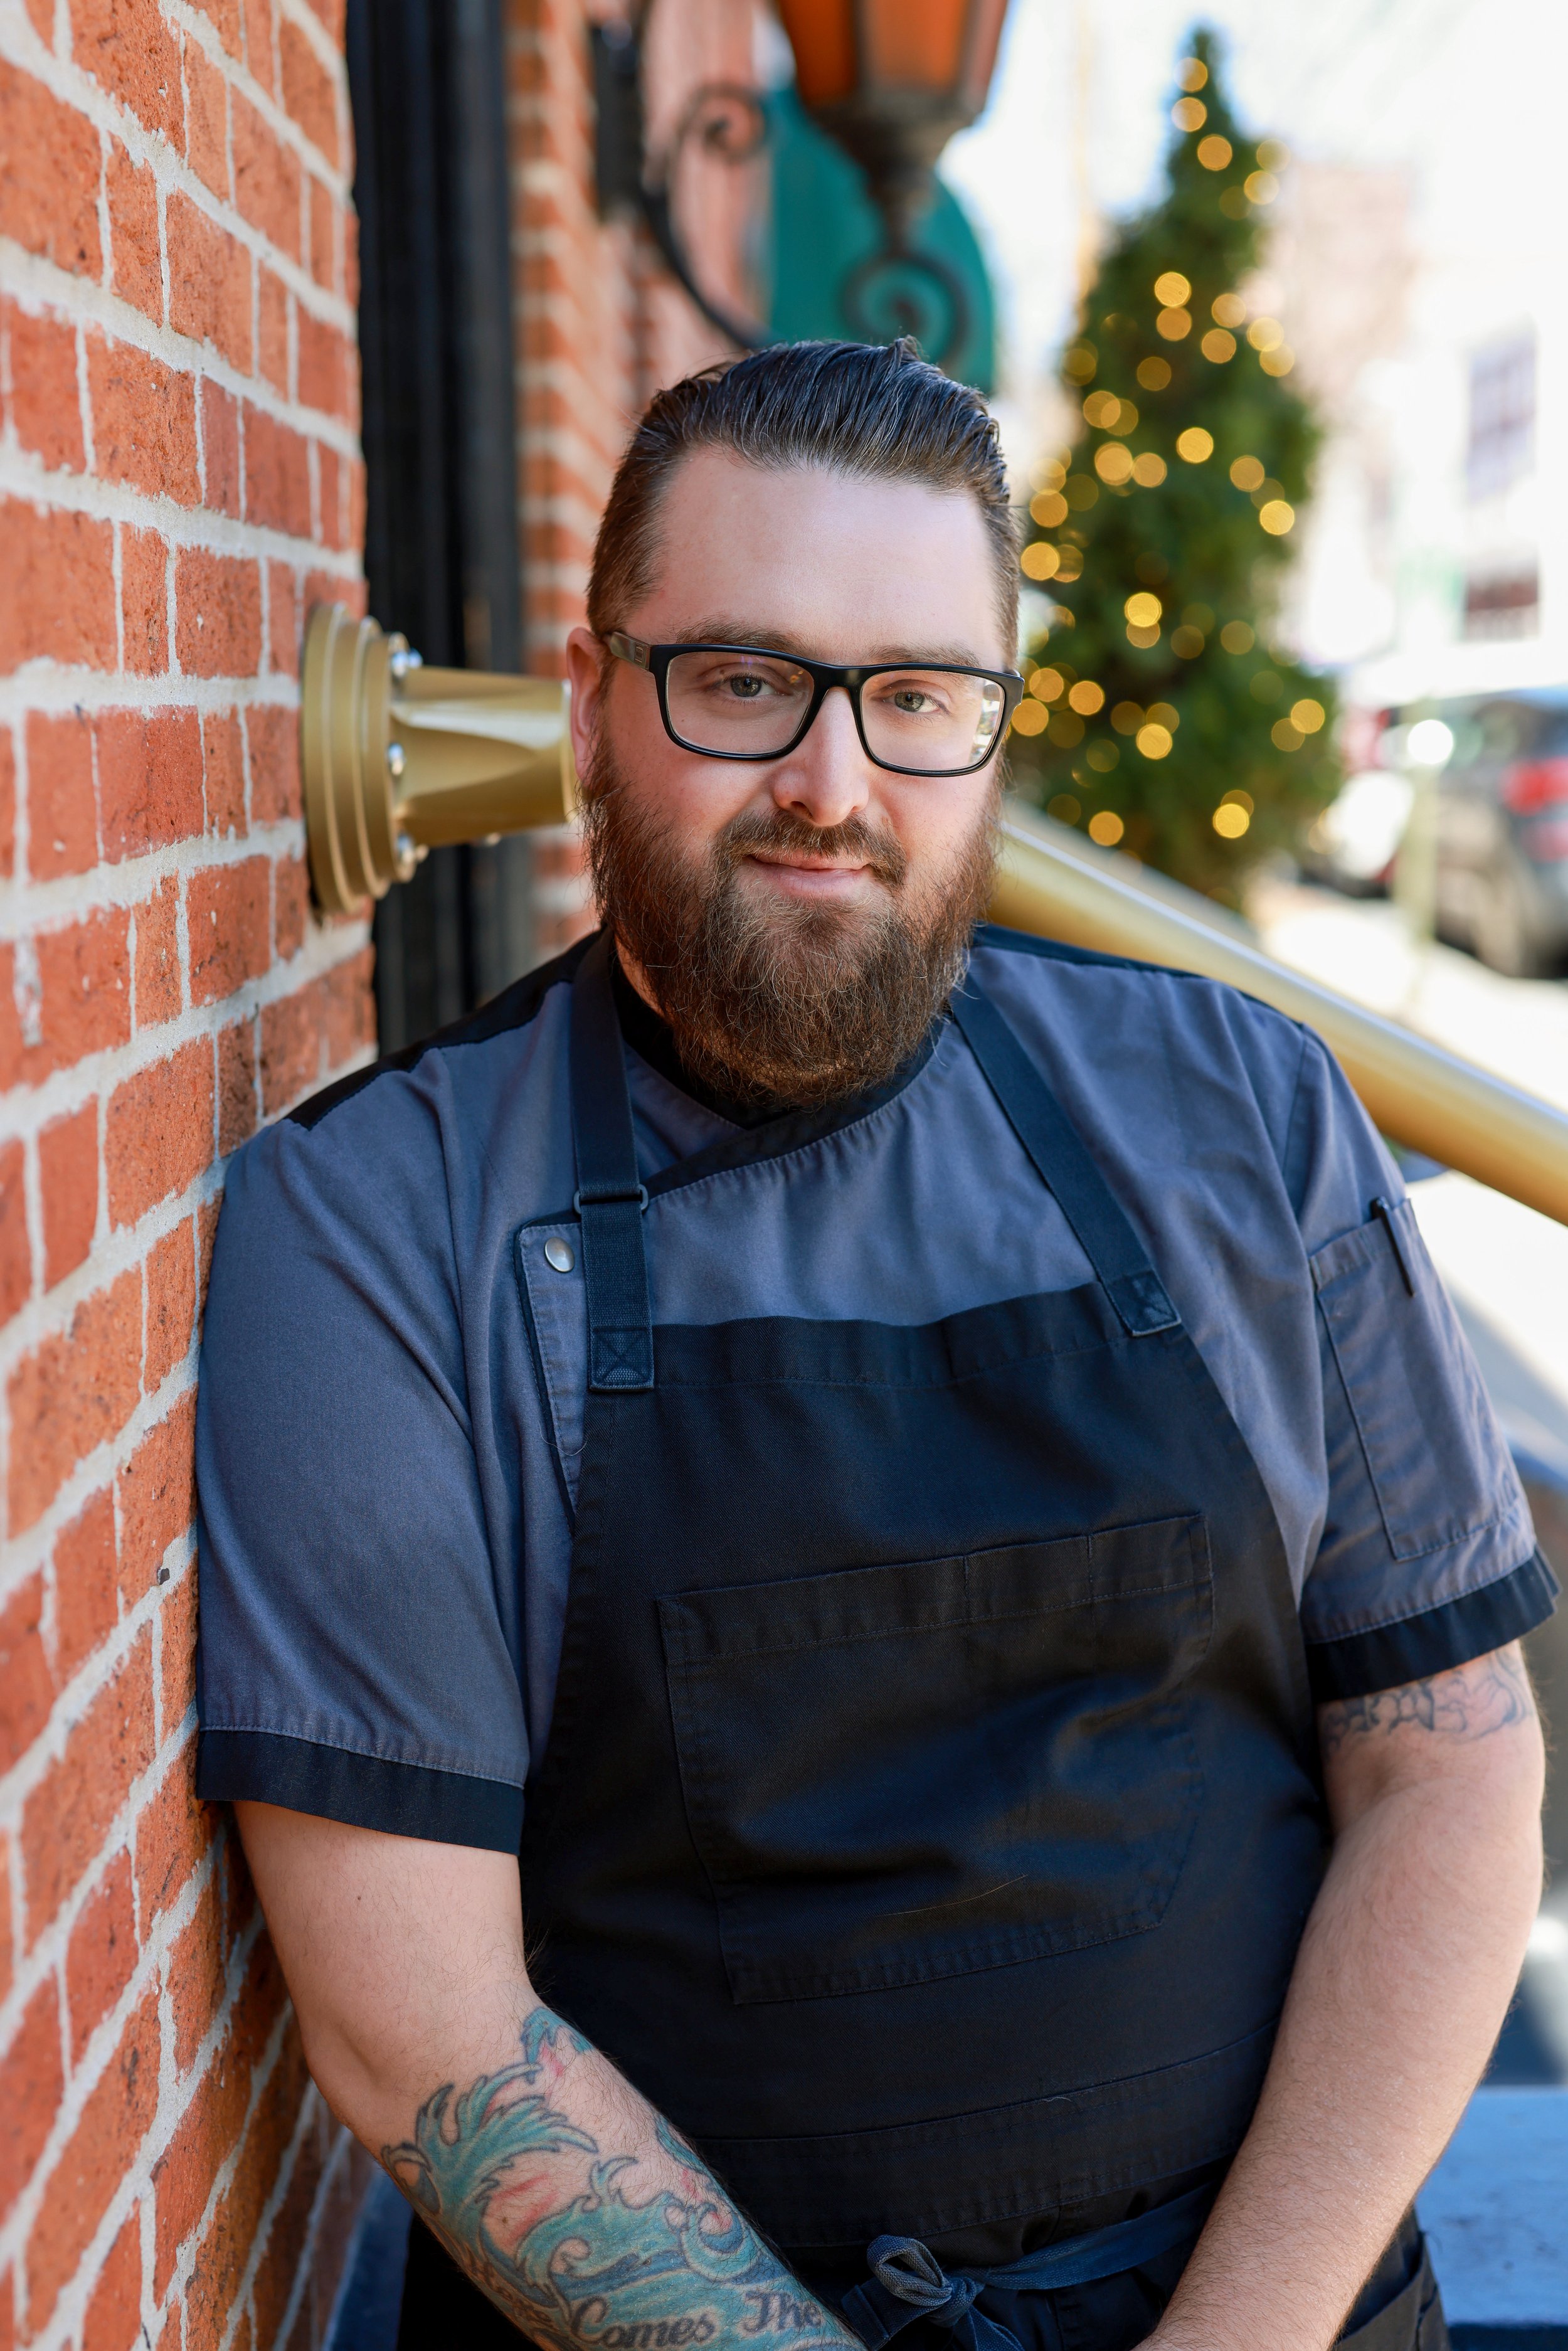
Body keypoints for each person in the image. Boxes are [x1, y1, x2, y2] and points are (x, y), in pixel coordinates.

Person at [196, 339, 1554, 2351]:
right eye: (743, 681)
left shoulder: (1238, 1117)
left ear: (991, 739)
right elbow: (423, 2033)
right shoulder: (382, 1219)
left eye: (918, 697)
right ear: (589, 711)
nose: (833, 784)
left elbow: (1445, 1778)